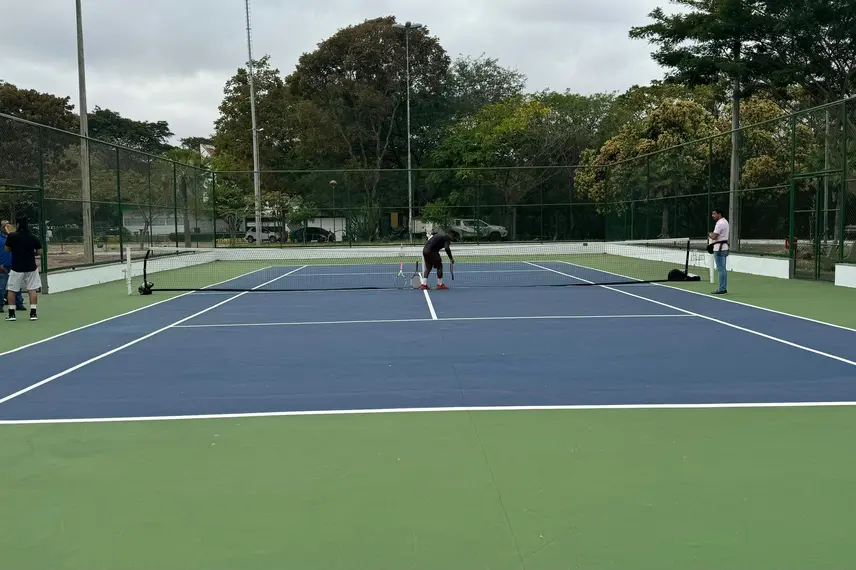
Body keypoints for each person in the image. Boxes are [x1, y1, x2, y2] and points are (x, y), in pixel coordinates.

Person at [4, 216, 42, 321]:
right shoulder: (33, 237)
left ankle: (12, 314)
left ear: (17, 225)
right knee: (32, 289)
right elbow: (40, 252)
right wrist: (31, 253)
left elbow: (6, 249)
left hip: (16, 267)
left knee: (11, 289)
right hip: (31, 267)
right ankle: (33, 314)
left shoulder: (12, 236)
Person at [0, 221, 25, 311]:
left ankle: (19, 304)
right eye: (4, 226)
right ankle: (0, 306)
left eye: (8, 225)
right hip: (3, 266)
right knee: (1, 287)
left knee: (17, 285)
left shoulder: (15, 237)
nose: (6, 227)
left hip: (15, 265)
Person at [709, 209, 729, 295]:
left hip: (719, 249)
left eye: (714, 214)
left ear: (719, 214)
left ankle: (721, 288)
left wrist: (710, 234)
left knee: (721, 269)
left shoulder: (720, 224)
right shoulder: (725, 222)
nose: (713, 215)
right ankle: (723, 287)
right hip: (724, 248)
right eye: (712, 214)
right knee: (723, 269)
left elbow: (714, 236)